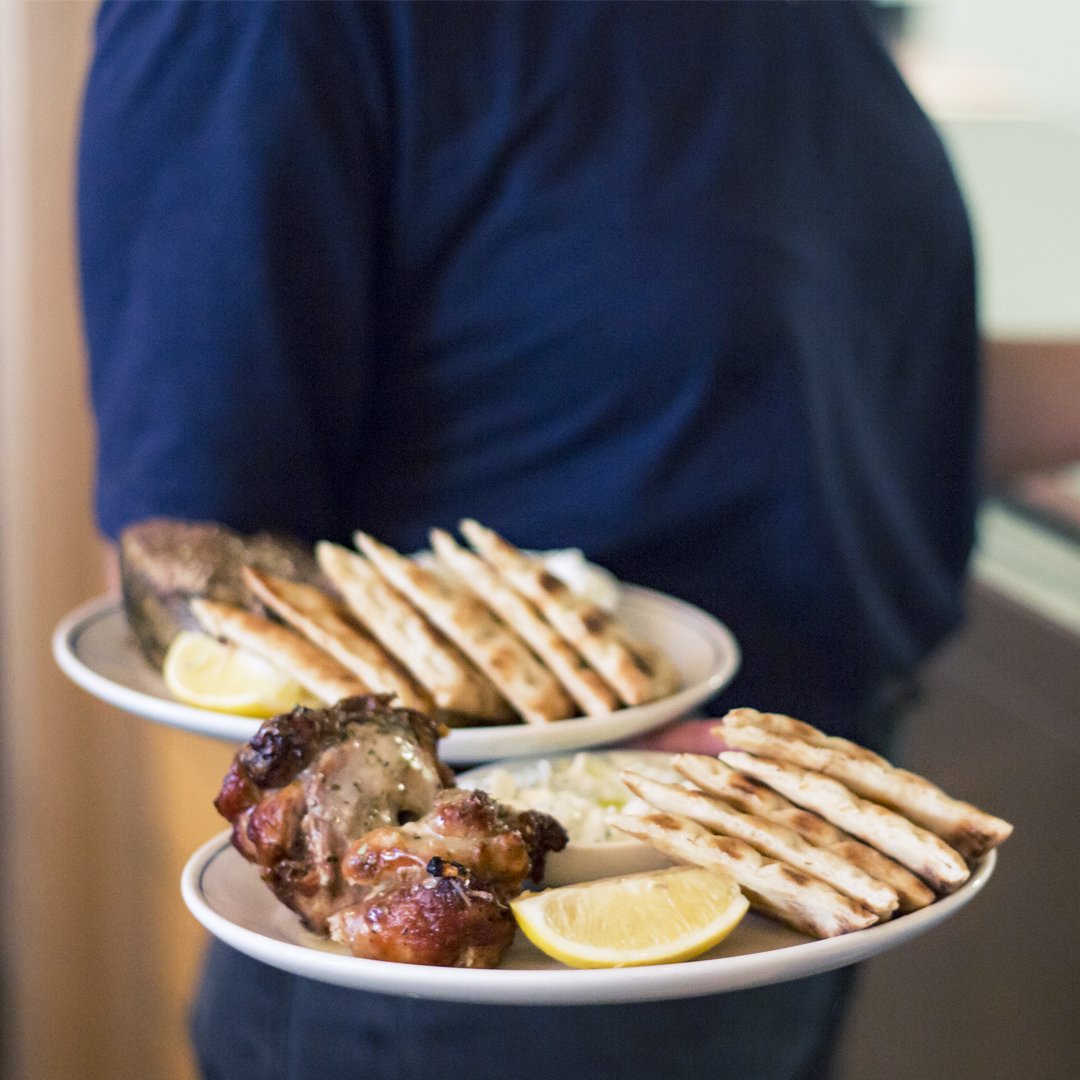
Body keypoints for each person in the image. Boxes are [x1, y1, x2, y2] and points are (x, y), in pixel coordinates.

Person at [76, 2, 1079, 1079]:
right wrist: (469, 833)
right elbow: (190, 568)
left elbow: (859, 387)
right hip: (486, 964)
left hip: (803, 889)